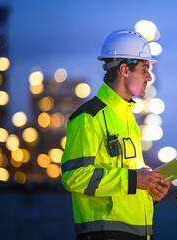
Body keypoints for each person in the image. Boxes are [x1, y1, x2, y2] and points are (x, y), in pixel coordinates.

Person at [61, 29, 170, 240]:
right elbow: (73, 176)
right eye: (144, 69)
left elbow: (127, 178)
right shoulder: (89, 117)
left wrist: (150, 188)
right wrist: (134, 179)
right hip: (105, 234)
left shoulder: (127, 117)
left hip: (137, 233)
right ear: (124, 70)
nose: (149, 77)